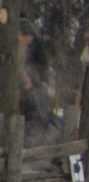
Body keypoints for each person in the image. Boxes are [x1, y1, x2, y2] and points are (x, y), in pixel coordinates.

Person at [17, 18, 61, 146]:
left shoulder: (28, 48)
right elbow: (17, 67)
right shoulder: (18, 45)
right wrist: (26, 81)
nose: (31, 40)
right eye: (30, 36)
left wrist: (39, 82)